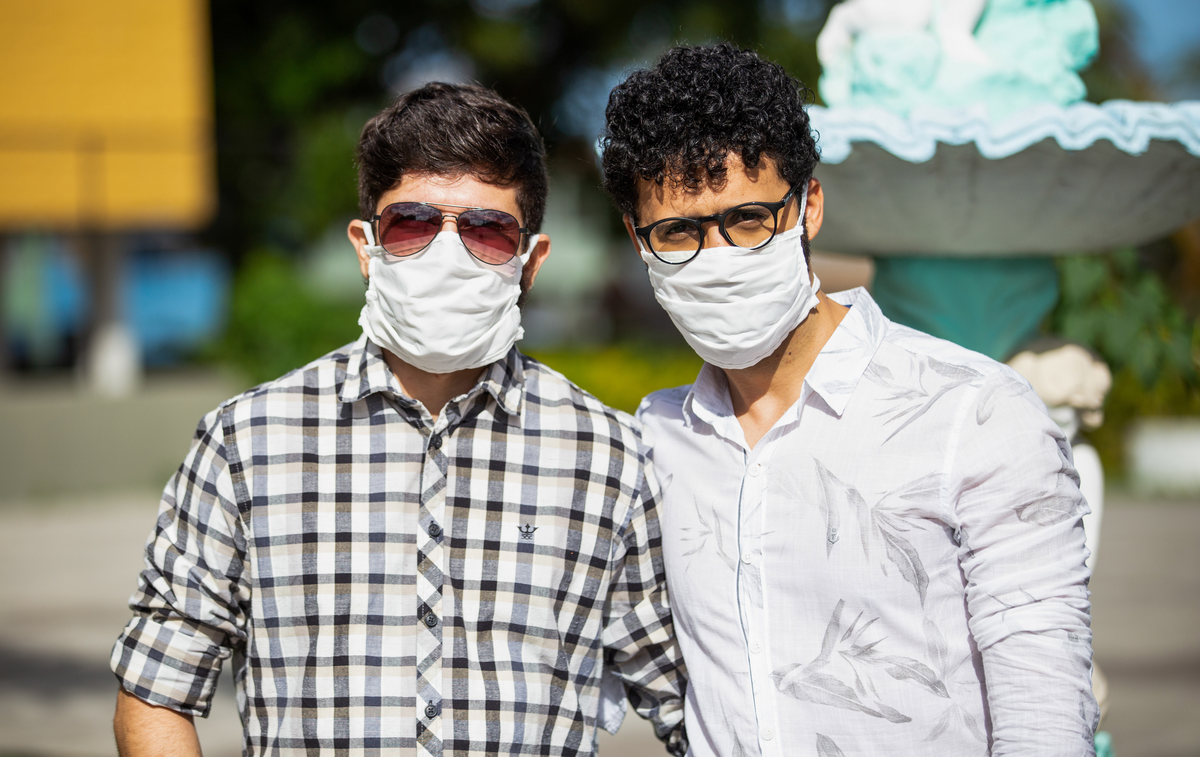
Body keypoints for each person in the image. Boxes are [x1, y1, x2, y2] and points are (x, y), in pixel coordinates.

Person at [111, 83, 687, 757]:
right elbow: (156, 690)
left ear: (530, 262)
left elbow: (690, 704)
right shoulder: (246, 443)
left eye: (486, 231)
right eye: (411, 224)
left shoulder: (609, 457)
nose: (447, 253)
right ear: (366, 246)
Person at [600, 44, 1097, 756]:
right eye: (679, 231)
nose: (718, 256)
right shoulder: (655, 438)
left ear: (808, 207)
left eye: (748, 218)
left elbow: (1044, 714)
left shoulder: (975, 412)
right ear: (638, 238)